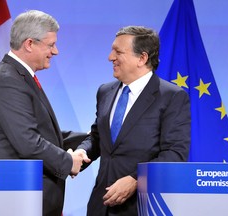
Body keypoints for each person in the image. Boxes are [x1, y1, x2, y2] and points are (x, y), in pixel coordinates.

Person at [0, 10, 89, 216]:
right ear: (29, 44)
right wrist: (68, 162)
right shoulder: (7, 81)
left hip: (27, 196)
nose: (55, 52)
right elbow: (27, 141)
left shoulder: (18, 77)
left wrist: (91, 141)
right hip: (16, 198)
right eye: (50, 45)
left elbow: (41, 131)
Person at [76, 26, 191, 215]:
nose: (110, 57)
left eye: (118, 51)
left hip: (141, 206)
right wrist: (82, 151)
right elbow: (98, 136)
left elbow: (175, 153)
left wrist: (137, 180)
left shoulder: (171, 97)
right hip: (100, 204)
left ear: (142, 58)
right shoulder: (105, 91)